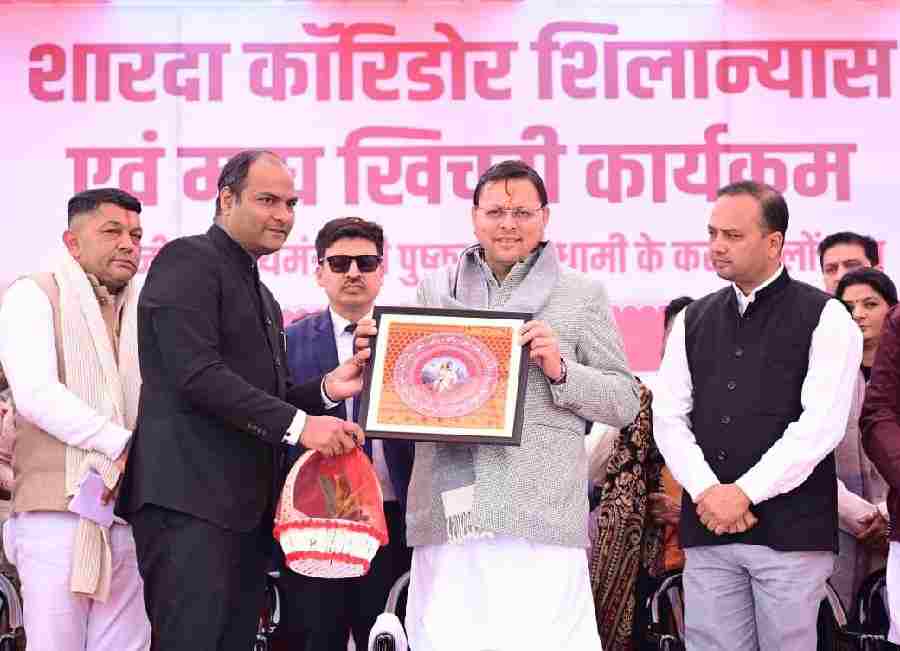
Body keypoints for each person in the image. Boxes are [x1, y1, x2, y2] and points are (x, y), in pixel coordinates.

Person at [115, 151, 369, 651]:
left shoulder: (263, 294)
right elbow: (196, 374)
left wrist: (325, 390)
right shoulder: (187, 260)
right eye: (267, 200)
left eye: (291, 204)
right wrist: (302, 425)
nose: (283, 215)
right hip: (189, 503)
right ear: (226, 199)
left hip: (244, 514)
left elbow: (266, 398)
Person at [387, 159, 639, 650]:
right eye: (496, 212)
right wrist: (385, 364)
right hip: (452, 510)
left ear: (545, 217)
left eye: (522, 212)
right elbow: (411, 390)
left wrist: (561, 370)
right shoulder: (435, 289)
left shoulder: (581, 295)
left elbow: (625, 402)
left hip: (539, 515)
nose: (508, 224)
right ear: (474, 217)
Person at [654, 180, 862, 650]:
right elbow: (668, 417)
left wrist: (743, 493)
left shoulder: (826, 317)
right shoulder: (693, 319)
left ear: (773, 243)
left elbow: (820, 426)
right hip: (710, 529)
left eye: (732, 235)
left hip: (790, 532)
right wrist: (709, 492)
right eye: (712, 233)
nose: (717, 246)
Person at [0, 188, 150, 650]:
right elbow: (36, 394)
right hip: (56, 516)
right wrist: (124, 444)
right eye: (112, 231)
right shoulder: (34, 294)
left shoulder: (144, 309)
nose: (127, 244)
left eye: (135, 235)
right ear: (72, 242)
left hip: (130, 515)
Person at [274, 217, 413, 651]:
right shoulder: (287, 341)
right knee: (316, 638)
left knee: (391, 637)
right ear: (319, 272)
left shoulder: (414, 340)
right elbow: (275, 417)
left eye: (366, 262)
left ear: (382, 271)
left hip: (394, 517)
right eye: (339, 263)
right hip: (316, 519)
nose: (353, 272)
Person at [589, 295, 692, 651]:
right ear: (663, 345)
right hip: (651, 572)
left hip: (713, 570)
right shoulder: (640, 403)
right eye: (675, 338)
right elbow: (595, 473)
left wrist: (687, 515)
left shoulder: (732, 411)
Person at [831, 268, 896, 609]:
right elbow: (810, 462)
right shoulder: (823, 376)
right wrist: (862, 518)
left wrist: (887, 515)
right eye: (848, 307)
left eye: (870, 304)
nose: (858, 314)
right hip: (838, 526)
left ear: (892, 309)